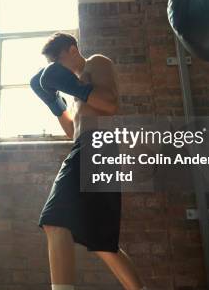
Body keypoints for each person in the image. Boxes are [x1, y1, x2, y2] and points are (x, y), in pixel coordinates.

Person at [30, 32, 147, 290]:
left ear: (73, 50)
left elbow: (110, 104)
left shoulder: (96, 63)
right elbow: (73, 131)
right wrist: (54, 103)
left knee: (54, 219)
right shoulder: (78, 88)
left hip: (96, 147)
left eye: (58, 61)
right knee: (103, 242)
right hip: (92, 148)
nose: (57, 69)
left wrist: (76, 88)